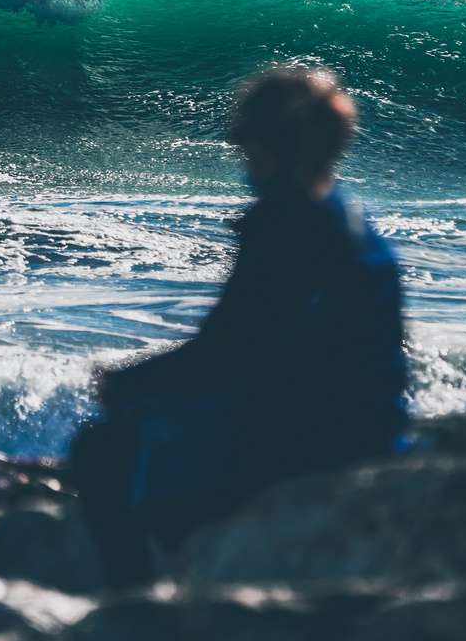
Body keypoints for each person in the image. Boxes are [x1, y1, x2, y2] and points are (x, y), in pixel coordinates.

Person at [71, 65, 406, 586]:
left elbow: (221, 359)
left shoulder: (287, 226)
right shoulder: (352, 223)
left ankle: (135, 605)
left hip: (312, 443)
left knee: (101, 453)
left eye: (240, 141)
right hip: (372, 429)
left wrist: (124, 383)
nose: (239, 155)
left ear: (265, 147)